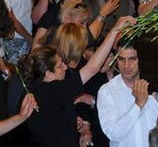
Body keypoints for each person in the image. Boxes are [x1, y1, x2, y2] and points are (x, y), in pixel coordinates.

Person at [24, 16, 135, 147]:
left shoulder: (38, 88)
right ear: (48, 74)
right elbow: (92, 68)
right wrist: (115, 30)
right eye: (60, 66)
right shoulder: (52, 91)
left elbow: (52, 120)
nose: (65, 67)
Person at [97, 38, 158, 147]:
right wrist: (138, 105)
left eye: (132, 59)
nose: (126, 65)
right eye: (121, 59)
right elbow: (113, 133)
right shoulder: (107, 91)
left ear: (142, 59)